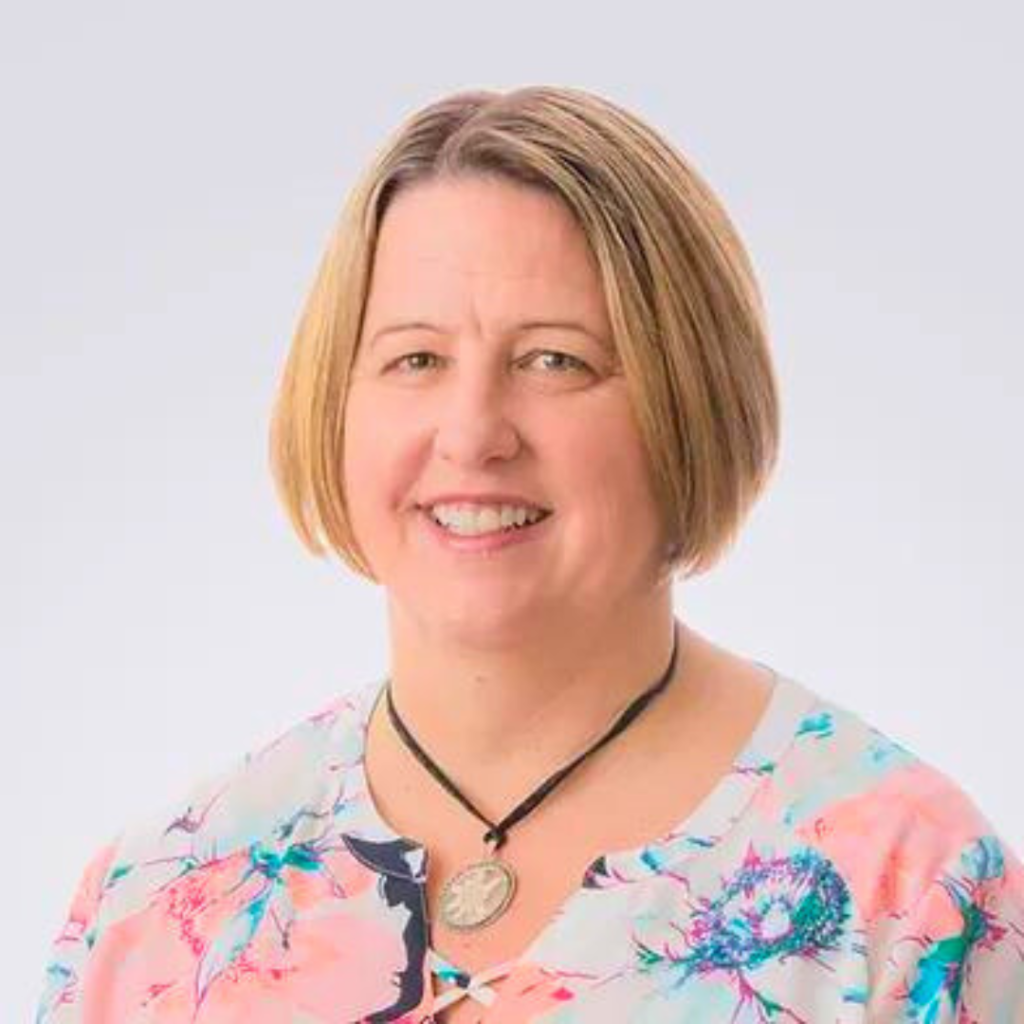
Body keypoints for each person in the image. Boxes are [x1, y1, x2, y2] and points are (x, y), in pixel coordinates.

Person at [38, 85, 1024, 1023]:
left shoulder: (910, 895)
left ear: (690, 401)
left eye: (555, 359)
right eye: (414, 358)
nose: (472, 434)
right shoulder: (156, 902)